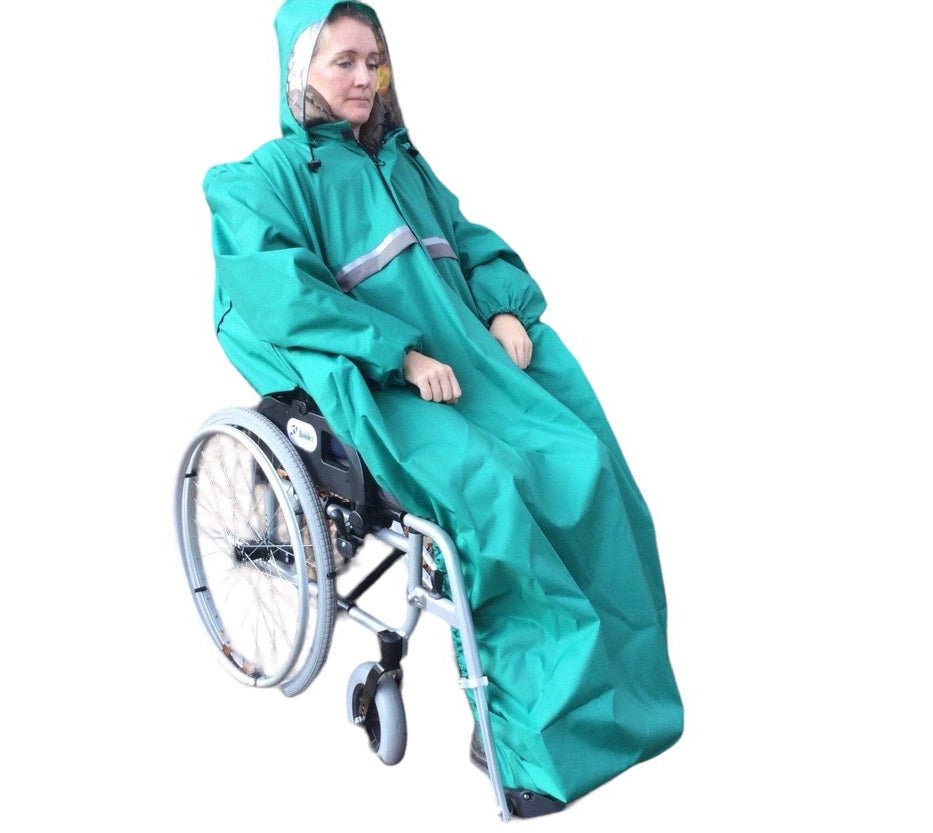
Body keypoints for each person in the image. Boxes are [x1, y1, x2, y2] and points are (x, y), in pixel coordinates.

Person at [203, 0, 683, 813]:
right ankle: (528, 742)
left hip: (470, 365)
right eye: (343, 61)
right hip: (376, 381)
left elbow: (470, 241)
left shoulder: (402, 164)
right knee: (495, 491)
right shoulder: (261, 181)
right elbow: (279, 296)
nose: (365, 78)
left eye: (374, 61)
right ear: (298, 72)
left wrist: (502, 305)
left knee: (586, 463)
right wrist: (398, 352)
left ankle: (627, 712)